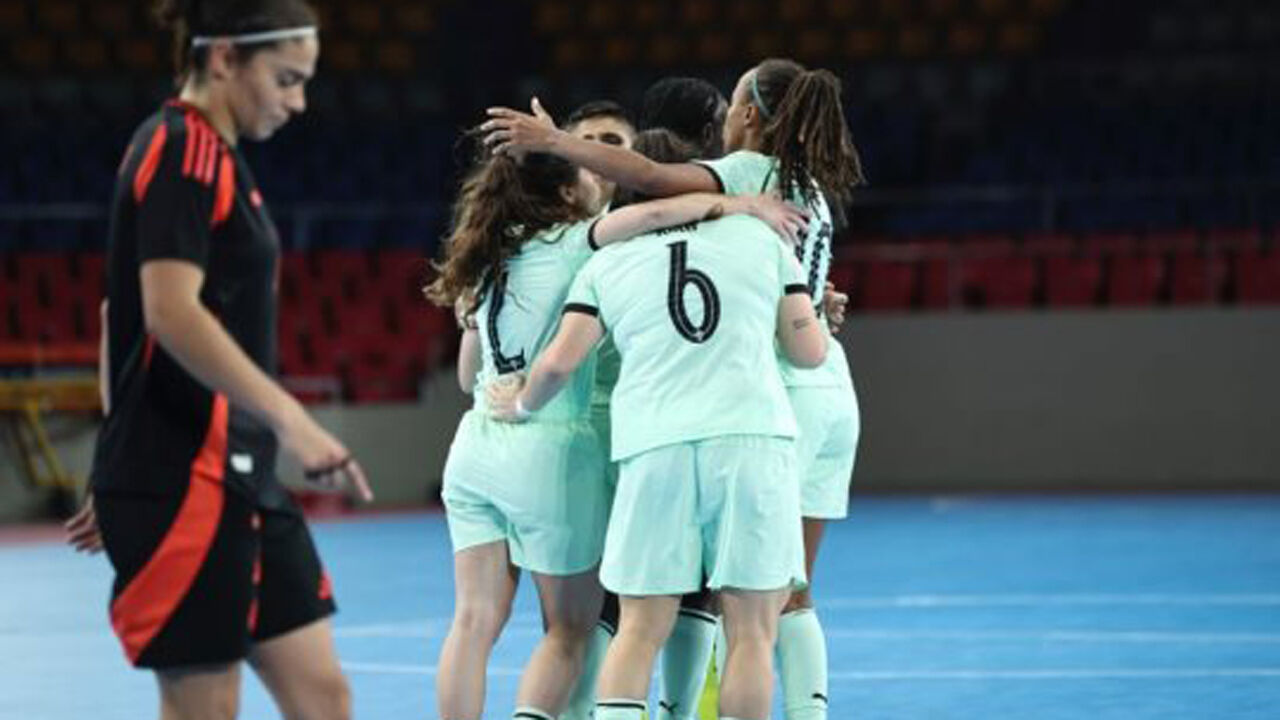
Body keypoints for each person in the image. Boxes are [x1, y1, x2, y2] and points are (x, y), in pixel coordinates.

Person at [483, 57, 865, 720]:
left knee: (643, 619)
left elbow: (654, 178)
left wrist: (552, 141)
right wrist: (812, 312)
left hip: (697, 420)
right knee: (774, 607)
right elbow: (804, 338)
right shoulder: (801, 196)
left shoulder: (727, 192)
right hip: (807, 392)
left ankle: (666, 710)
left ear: (748, 116)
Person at [425, 130, 805, 720]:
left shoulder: (489, 258)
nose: (596, 180)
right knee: (570, 631)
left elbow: (464, 372)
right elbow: (653, 209)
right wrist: (739, 202)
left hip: (475, 441)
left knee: (472, 621)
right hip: (549, 442)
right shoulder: (580, 241)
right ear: (564, 186)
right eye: (585, 170)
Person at [85, 2, 373, 719]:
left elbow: (115, 317)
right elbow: (166, 311)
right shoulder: (181, 149)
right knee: (206, 708)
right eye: (286, 79)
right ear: (223, 61)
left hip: (240, 474)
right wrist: (294, 421)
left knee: (323, 697)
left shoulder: (218, 156)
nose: (298, 101)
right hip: (180, 476)